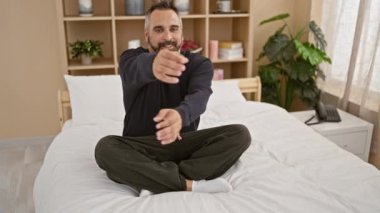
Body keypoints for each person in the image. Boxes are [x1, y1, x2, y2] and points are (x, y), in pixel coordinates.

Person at [94, 1, 251, 195]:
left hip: (184, 144)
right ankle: (188, 184)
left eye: (173, 29)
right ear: (147, 35)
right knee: (105, 149)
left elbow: (200, 96)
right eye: (159, 29)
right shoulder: (130, 59)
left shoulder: (199, 64)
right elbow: (136, 69)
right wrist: (153, 65)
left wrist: (180, 115)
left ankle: (152, 179)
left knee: (240, 134)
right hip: (141, 147)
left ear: (181, 34)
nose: (168, 36)